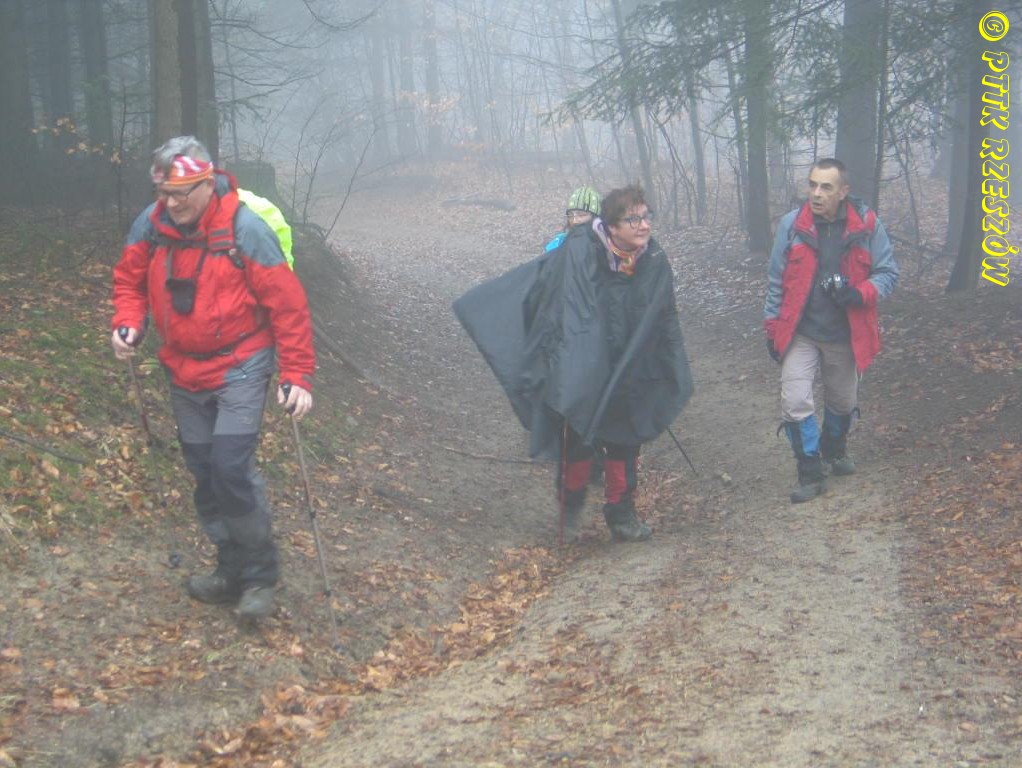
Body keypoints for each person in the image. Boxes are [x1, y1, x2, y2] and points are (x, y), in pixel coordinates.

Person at [110, 136, 315, 619]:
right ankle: (230, 569)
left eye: (181, 193)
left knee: (229, 467)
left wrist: (297, 374)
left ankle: (259, 577)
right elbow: (129, 281)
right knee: (204, 471)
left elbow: (287, 305)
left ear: (208, 183)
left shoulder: (246, 229)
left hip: (241, 362)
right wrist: (129, 321)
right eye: (164, 193)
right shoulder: (150, 225)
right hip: (182, 365)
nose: (171, 203)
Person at [455, 185, 693, 542]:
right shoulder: (579, 252)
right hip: (581, 359)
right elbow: (558, 306)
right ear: (612, 225)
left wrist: (667, 359)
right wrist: (573, 359)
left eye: (647, 217)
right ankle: (571, 502)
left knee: (626, 437)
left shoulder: (654, 259)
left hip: (631, 361)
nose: (644, 225)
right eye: (634, 219)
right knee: (578, 439)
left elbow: (664, 314)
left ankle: (621, 514)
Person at [764, 158, 898, 503]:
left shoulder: (867, 226)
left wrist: (859, 293)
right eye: (812, 185)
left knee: (842, 402)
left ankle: (834, 448)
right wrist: (772, 327)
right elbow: (776, 280)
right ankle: (810, 471)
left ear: (843, 191)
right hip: (800, 332)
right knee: (795, 401)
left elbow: (888, 274)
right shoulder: (791, 225)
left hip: (846, 333)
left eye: (826, 187)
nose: (816, 193)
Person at [545, 185, 601, 252]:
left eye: (581, 215)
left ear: (596, 218)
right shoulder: (558, 244)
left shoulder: (607, 246)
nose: (574, 221)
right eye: (570, 215)